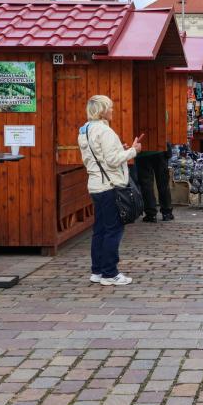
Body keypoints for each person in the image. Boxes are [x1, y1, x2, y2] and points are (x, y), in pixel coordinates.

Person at [78, 95, 141, 287]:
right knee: (114, 230)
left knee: (100, 230)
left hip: (96, 185)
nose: (112, 110)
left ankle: (97, 270)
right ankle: (110, 273)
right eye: (110, 107)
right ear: (102, 110)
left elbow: (96, 156)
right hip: (110, 186)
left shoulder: (84, 130)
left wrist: (118, 149)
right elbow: (113, 161)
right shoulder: (105, 131)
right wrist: (133, 150)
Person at [135, 146, 174, 223]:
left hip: (143, 153)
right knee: (163, 183)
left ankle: (151, 214)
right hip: (160, 150)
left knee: (146, 184)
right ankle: (167, 212)